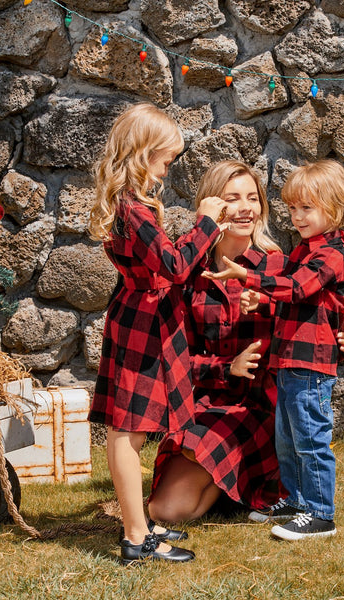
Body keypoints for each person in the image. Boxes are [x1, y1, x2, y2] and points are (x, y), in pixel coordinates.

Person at [147, 160, 344, 524]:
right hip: (209, 406)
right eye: (233, 198)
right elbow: (172, 361)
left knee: (175, 507)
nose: (245, 208)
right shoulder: (188, 275)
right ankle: (236, 483)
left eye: (252, 198)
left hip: (268, 410)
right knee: (167, 510)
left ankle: (254, 481)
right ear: (213, 205)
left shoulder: (281, 265)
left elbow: (324, 319)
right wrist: (224, 368)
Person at [87, 103, 226, 564]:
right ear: (144, 153)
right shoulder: (132, 209)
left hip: (144, 319)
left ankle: (139, 526)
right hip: (141, 326)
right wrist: (206, 222)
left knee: (134, 432)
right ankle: (134, 536)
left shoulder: (135, 204)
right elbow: (174, 265)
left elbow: (166, 265)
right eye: (166, 158)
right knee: (127, 433)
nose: (169, 167)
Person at [202, 159, 344, 541]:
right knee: (288, 439)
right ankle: (294, 501)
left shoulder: (331, 255)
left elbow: (297, 289)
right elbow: (288, 299)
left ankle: (321, 513)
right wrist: (260, 301)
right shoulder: (304, 251)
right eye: (292, 208)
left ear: (337, 206)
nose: (297, 216)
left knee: (311, 440)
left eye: (307, 207)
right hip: (290, 360)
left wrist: (247, 277)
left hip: (311, 364)